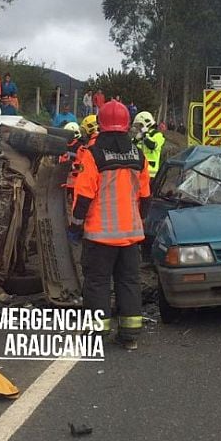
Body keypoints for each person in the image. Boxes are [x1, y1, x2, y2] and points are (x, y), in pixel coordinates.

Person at [69, 101, 151, 351]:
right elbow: (146, 196)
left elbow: (83, 193)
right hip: (131, 234)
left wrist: (75, 225)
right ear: (127, 124)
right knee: (129, 281)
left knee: (97, 282)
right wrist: (138, 221)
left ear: (101, 124)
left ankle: (96, 335)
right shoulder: (138, 155)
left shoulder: (93, 155)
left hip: (100, 234)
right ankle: (129, 335)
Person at [132, 111, 165, 178]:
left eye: (140, 125)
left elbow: (152, 146)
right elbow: (129, 147)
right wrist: (136, 140)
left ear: (146, 124)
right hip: (139, 172)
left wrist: (144, 136)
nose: (139, 128)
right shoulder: (140, 135)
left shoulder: (157, 135)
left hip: (151, 174)